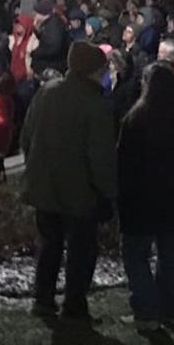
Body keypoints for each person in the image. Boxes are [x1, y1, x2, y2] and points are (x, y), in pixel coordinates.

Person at [20, 41, 116, 322]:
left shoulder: (47, 92)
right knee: (81, 251)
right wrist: (107, 191)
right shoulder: (95, 104)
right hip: (80, 190)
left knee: (48, 245)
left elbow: (27, 136)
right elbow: (100, 155)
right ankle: (74, 305)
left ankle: (43, 298)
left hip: (45, 185)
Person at [117, 63, 174, 331]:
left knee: (136, 255)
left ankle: (146, 311)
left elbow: (124, 161)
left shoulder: (136, 118)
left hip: (141, 197)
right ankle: (170, 310)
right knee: (170, 254)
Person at [30, 0, 70, 76]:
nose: (35, 15)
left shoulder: (54, 26)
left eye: (37, 13)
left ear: (43, 14)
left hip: (52, 65)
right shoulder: (49, 24)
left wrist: (35, 53)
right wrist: (37, 31)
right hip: (49, 63)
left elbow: (53, 47)